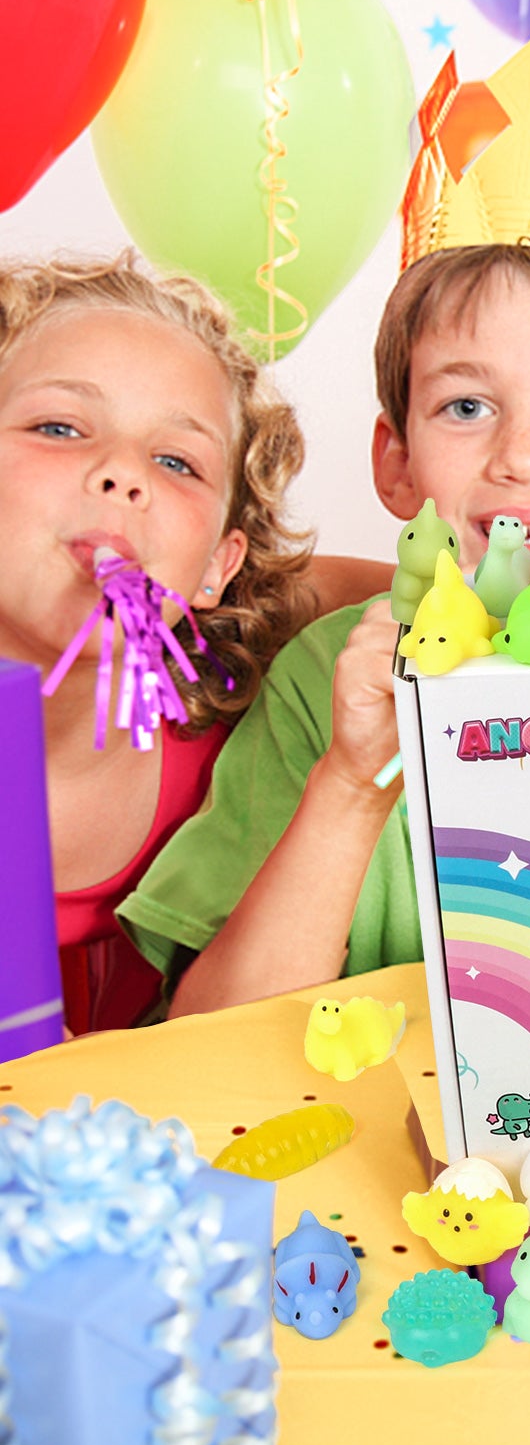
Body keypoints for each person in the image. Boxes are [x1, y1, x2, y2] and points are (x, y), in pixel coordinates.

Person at [120, 243, 530, 1015]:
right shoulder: (328, 680)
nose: (522, 458)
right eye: (466, 407)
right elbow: (211, 1036)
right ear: (397, 462)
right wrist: (351, 779)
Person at [0, 253, 315, 1032]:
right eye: (59, 427)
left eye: (176, 461)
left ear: (216, 567)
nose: (121, 474)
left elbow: (409, 592)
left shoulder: (238, 752)